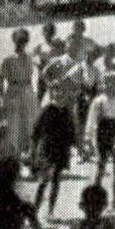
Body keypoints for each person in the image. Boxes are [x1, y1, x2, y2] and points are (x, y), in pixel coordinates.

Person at [31, 59, 78, 217]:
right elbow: (36, 131)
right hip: (48, 148)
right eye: (56, 91)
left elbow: (71, 131)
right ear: (52, 92)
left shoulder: (66, 111)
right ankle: (35, 211)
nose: (60, 94)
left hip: (61, 148)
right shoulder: (47, 109)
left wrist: (75, 145)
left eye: (62, 91)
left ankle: (50, 211)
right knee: (44, 181)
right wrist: (34, 150)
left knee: (57, 180)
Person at [83, 71, 115, 207]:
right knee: (100, 167)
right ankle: (95, 199)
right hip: (102, 134)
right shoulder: (98, 102)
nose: (113, 87)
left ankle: (114, 200)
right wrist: (87, 139)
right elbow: (91, 122)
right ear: (104, 86)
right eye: (109, 84)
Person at [0, 28, 39, 161]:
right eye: (18, 40)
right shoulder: (8, 59)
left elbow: (34, 76)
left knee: (29, 124)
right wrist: (2, 98)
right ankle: (14, 157)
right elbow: (0, 78)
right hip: (13, 92)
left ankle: (30, 157)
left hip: (27, 91)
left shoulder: (30, 58)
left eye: (24, 41)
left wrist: (33, 93)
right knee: (14, 126)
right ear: (14, 41)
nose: (21, 43)